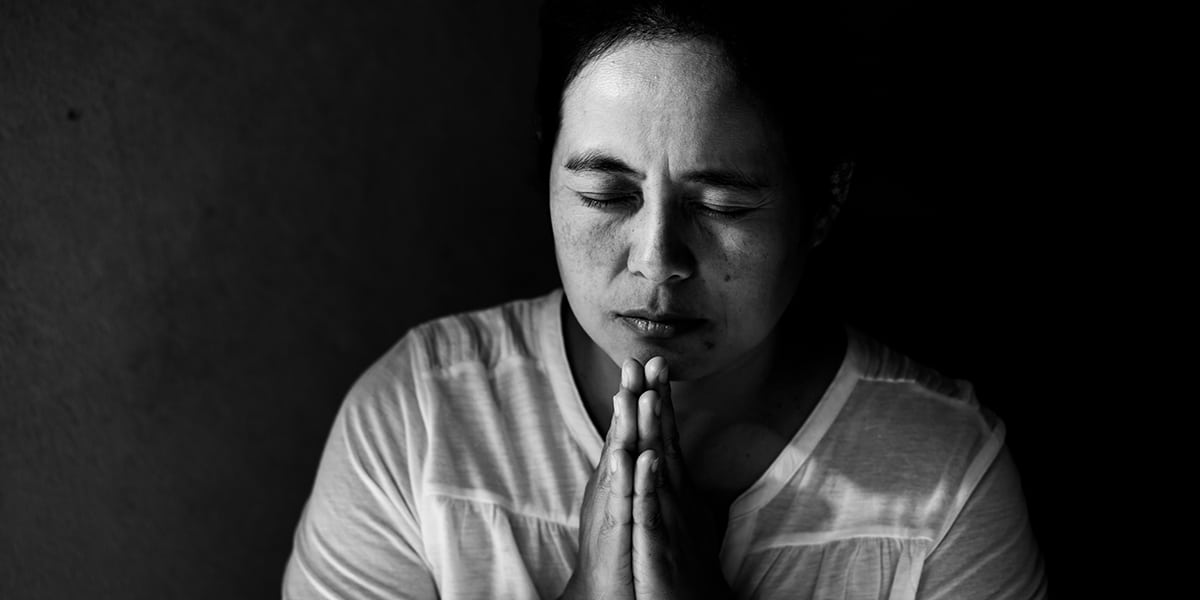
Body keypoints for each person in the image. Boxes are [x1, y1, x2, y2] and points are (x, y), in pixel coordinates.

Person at [282, 0, 1047, 598]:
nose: (657, 261)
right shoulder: (416, 420)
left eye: (721, 207)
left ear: (822, 203)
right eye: (606, 194)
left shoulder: (946, 479)